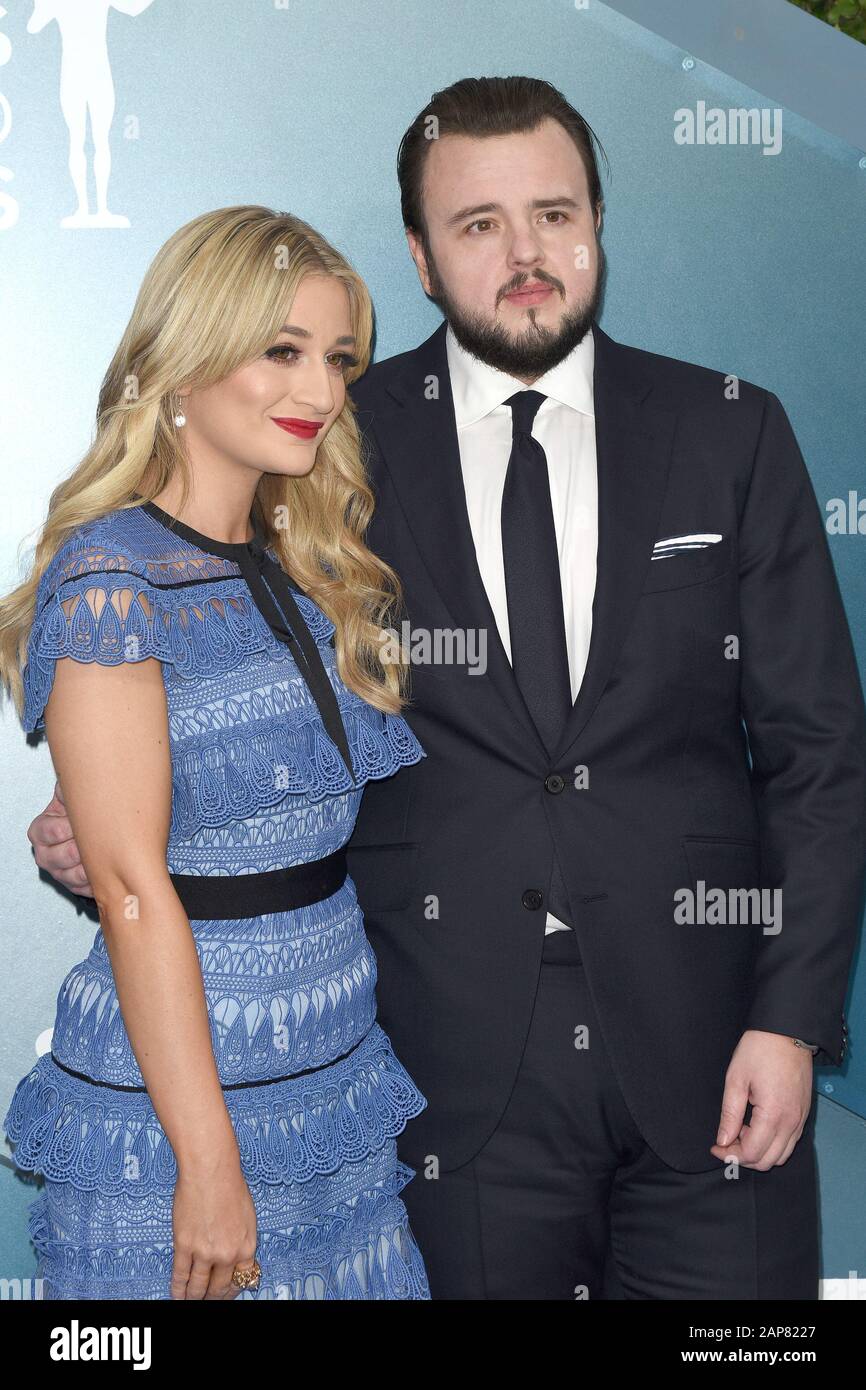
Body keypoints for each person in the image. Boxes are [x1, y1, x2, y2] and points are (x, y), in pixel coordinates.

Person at [26, 76, 866, 1300]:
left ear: (595, 228)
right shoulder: (327, 445)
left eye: (553, 214)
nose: (523, 253)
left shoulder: (727, 430)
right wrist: (116, 823)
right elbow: (209, 654)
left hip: (714, 1054)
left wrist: (790, 1021)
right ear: (420, 257)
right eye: (478, 224)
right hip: (439, 1075)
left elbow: (818, 753)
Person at [1, 205, 430, 1300]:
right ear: (183, 366)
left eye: (336, 358)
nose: (322, 391)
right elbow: (136, 888)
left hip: (330, 1072)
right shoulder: (112, 575)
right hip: (186, 1109)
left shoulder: (305, 559)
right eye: (280, 351)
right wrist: (206, 1165)